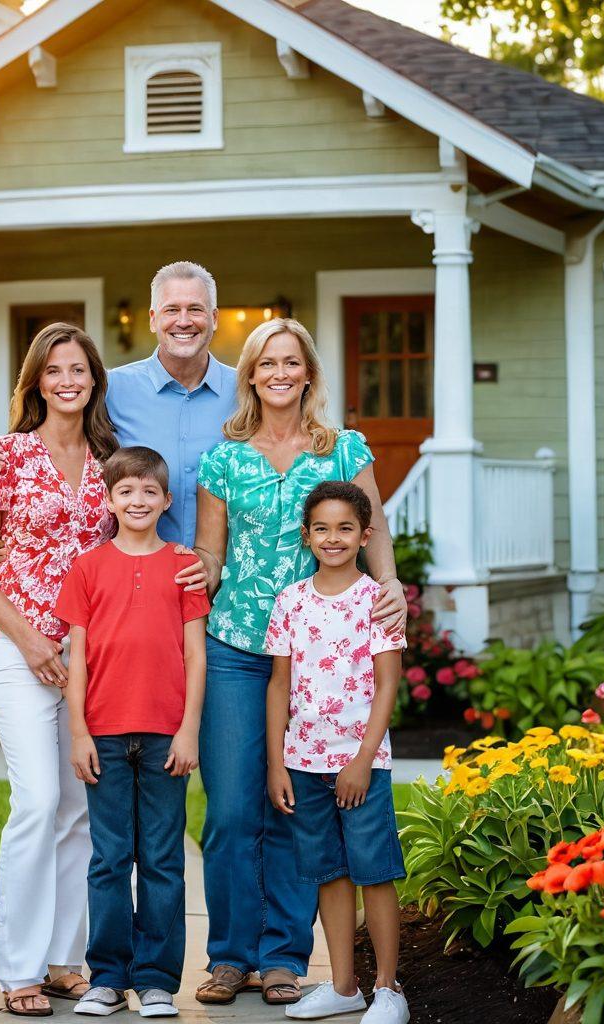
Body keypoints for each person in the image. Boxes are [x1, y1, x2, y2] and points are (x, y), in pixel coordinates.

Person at [191, 318, 406, 1006]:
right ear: (249, 375)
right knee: (230, 808)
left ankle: (283, 956)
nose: (279, 373)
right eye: (266, 363)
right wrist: (178, 584)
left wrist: (393, 586)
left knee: (293, 808)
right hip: (236, 647)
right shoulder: (223, 457)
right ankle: (230, 957)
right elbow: (211, 553)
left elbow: (374, 527)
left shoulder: (341, 448)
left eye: (291, 362)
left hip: (320, 659)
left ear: (308, 372)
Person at [0, 323, 118, 1017]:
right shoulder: (7, 457)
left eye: (78, 369)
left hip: (87, 654)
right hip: (18, 649)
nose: (67, 381)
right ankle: (17, 969)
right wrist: (30, 641)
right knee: (38, 801)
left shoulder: (112, 461)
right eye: (54, 371)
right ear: (36, 382)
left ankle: (64, 960)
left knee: (79, 807)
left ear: (93, 379)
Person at [56, 447, 209, 1019]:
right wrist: (79, 732)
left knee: (164, 859)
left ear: (167, 501)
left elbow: (196, 658)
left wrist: (190, 729)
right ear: (110, 499)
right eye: (126, 491)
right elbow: (78, 660)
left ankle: (156, 981)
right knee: (111, 859)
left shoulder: (183, 564)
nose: (138, 501)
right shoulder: (88, 567)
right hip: (107, 736)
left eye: (149, 492)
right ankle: (107, 977)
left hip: (168, 735)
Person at [265, 481, 409, 1024]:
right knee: (328, 873)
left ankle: (389, 989)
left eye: (345, 528)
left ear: (365, 535)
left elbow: (387, 685)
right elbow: (279, 685)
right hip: (304, 762)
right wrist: (278, 762)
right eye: (322, 529)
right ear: (306, 536)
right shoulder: (291, 602)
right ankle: (344, 986)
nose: (333, 538)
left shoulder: (379, 601)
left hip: (361, 764)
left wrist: (362, 760)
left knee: (374, 872)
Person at [0, 261, 236, 547]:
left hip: (225, 578)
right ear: (153, 319)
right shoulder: (110, 388)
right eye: (171, 310)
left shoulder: (246, 392)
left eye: (195, 309)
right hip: (133, 579)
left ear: (214, 318)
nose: (183, 321)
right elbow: (49, 440)